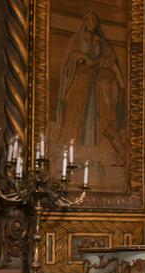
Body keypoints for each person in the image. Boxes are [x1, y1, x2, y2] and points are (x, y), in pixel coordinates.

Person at [56, 11, 126, 165]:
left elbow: (111, 61)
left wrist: (120, 80)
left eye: (91, 19)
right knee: (75, 109)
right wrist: (81, 56)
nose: (88, 22)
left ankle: (104, 148)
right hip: (81, 80)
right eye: (85, 19)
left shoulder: (103, 44)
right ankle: (71, 148)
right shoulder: (77, 39)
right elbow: (70, 58)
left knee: (103, 109)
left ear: (96, 23)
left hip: (98, 83)